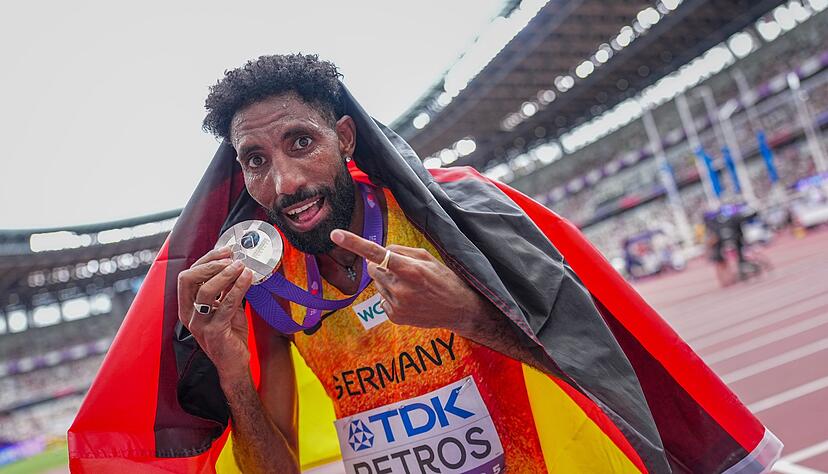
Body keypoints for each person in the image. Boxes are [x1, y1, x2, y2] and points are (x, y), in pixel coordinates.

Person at [69, 54, 781, 474]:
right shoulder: (271, 285)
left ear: (345, 137)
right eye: (256, 159)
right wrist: (230, 370)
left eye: (300, 143)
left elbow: (596, 365)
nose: (283, 183)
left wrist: (471, 314)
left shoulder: (458, 219)